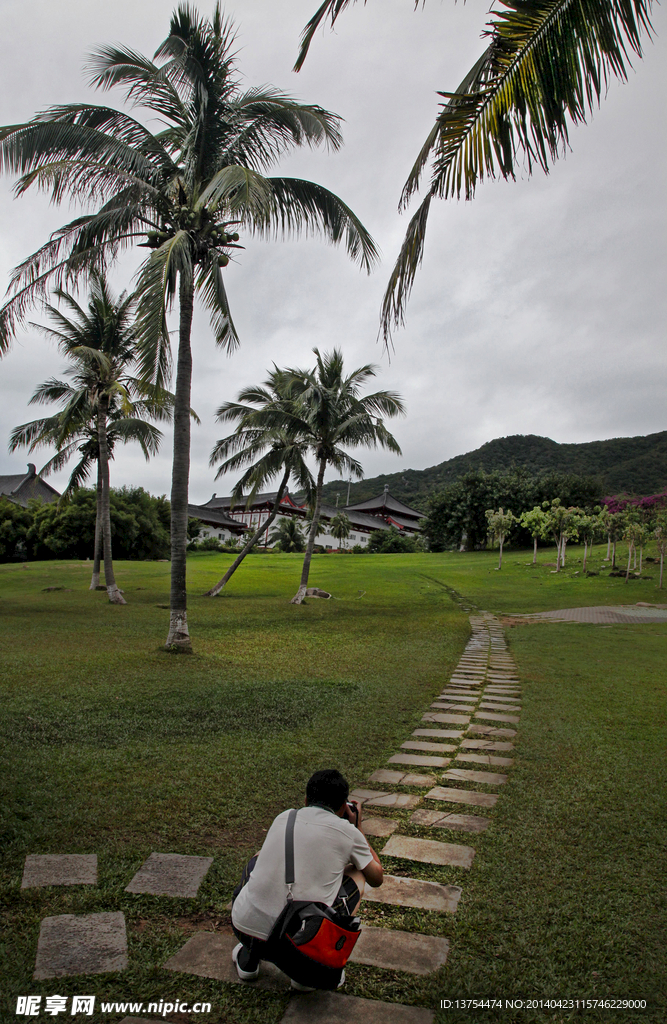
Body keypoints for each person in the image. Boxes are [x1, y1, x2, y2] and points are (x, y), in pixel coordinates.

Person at [231, 768, 384, 988]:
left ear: (305, 799)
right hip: (298, 946)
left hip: (244, 929)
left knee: (259, 857)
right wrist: (358, 828)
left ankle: (249, 958)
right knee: (359, 871)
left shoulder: (285, 816)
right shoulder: (348, 832)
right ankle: (310, 964)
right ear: (343, 807)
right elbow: (376, 878)